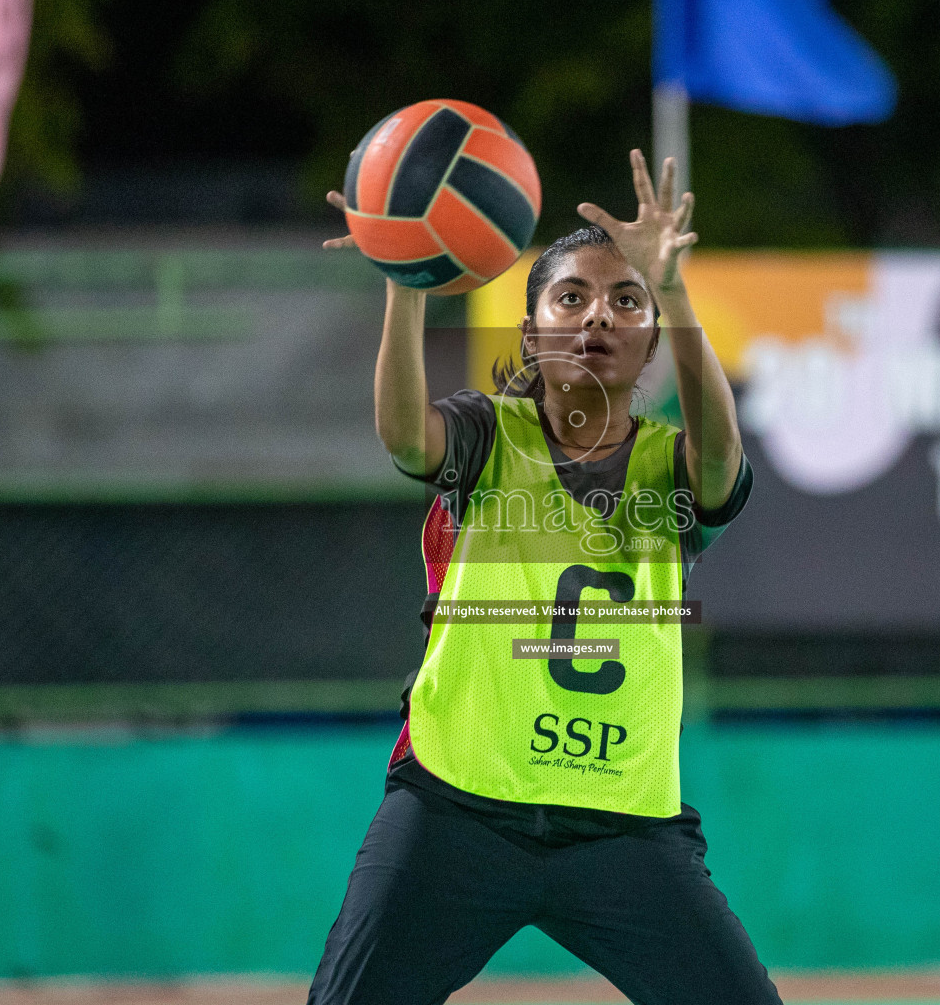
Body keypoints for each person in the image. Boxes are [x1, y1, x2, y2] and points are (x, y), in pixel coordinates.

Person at [306, 150, 781, 1005]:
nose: (599, 314)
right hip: (455, 812)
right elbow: (406, 437)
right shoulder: (488, 435)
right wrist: (406, 281)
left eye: (625, 301)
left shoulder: (671, 467)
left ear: (648, 343)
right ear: (531, 334)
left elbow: (722, 456)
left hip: (626, 829)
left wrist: (673, 290)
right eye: (572, 297)